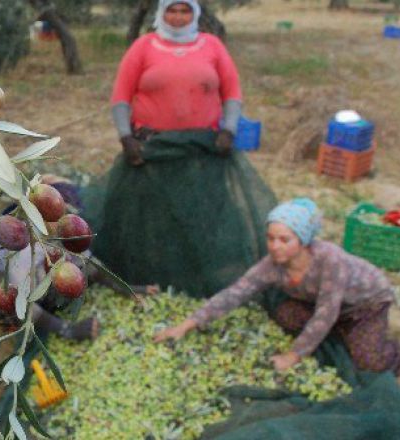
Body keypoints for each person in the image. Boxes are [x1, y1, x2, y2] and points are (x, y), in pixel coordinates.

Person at [88, 0, 276, 297]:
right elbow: (121, 97)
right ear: (161, 14)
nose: (178, 17)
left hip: (202, 148)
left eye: (185, 10)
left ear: (195, 14)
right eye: (171, 11)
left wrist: (229, 129)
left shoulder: (212, 46)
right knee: (152, 213)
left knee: (199, 209)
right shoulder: (144, 46)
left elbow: (232, 92)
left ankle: (201, 272)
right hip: (153, 148)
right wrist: (126, 138)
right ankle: (151, 273)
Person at [153, 198, 400, 379]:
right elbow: (235, 293)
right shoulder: (272, 265)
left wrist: (292, 356)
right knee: (285, 315)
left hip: (366, 304)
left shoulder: (329, 260)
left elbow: (326, 313)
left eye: (285, 239)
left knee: (367, 360)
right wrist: (186, 325)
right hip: (326, 305)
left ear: (303, 240)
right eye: (271, 238)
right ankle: (341, 332)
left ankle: (399, 357)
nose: (275, 246)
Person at [0, 176, 156, 341]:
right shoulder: (22, 241)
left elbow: (87, 262)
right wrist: (68, 330)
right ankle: (9, 323)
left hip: (27, 280)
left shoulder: (59, 230)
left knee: (69, 271)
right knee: (16, 291)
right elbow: (19, 297)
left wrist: (126, 290)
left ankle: (44, 314)